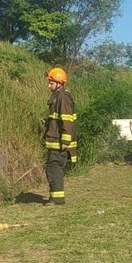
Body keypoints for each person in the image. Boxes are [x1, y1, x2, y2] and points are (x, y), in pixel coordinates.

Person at [43, 67, 77, 205]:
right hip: (55, 141)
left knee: (54, 168)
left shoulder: (63, 98)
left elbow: (67, 120)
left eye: (51, 82)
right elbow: (58, 119)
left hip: (59, 143)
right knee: (53, 168)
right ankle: (55, 197)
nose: (49, 85)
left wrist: (65, 141)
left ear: (59, 83)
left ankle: (57, 199)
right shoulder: (58, 97)